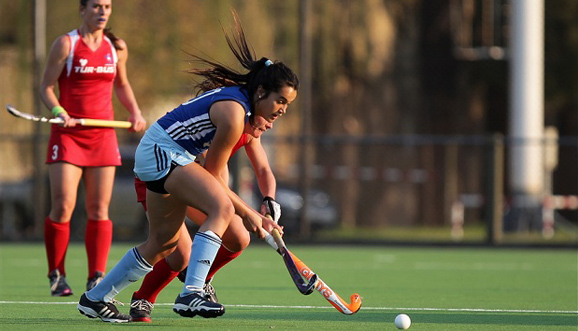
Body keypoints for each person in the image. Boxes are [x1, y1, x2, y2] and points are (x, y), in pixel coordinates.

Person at [77, 11, 299, 323]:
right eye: (280, 101)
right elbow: (213, 177)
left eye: (287, 105)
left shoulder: (243, 110)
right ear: (261, 92)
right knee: (221, 208)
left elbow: (219, 175)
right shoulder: (234, 114)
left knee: (164, 243)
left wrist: (262, 208)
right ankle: (193, 291)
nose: (283, 110)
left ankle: (95, 298)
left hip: (161, 155)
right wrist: (249, 213)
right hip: (163, 152)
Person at [39, 0, 146, 297]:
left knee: (99, 208)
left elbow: (121, 84)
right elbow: (46, 86)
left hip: (103, 135)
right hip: (68, 134)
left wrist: (134, 112)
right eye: (96, 6)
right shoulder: (66, 44)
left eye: (107, 6)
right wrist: (60, 111)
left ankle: (96, 277)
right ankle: (57, 275)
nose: (102, 11)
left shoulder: (117, 47)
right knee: (63, 206)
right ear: (82, 10)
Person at [129, 116, 282, 323]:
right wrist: (251, 214)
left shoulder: (250, 133)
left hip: (196, 186)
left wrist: (269, 199)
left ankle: (200, 278)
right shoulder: (221, 127)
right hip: (161, 181)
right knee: (178, 254)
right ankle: (142, 298)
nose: (271, 123)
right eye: (270, 115)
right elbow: (214, 182)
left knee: (238, 237)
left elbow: (263, 170)